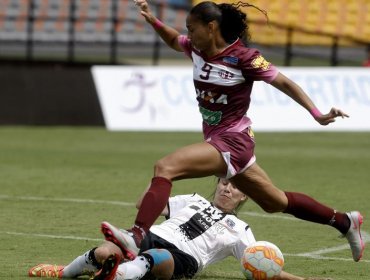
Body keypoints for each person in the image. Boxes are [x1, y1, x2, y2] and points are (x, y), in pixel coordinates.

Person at [102, 0, 364, 264]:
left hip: (233, 141)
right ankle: (344, 221)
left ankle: (135, 237)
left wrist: (317, 113)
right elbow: (173, 40)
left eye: (192, 29)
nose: (188, 35)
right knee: (275, 202)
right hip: (219, 140)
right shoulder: (196, 48)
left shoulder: (244, 58)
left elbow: (284, 82)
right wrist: (154, 21)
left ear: (211, 27)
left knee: (165, 167)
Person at [29, 179, 332, 280]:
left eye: (235, 187)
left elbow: (259, 265)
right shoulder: (192, 199)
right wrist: (158, 182)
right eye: (225, 182)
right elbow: (144, 205)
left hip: (185, 258)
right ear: (218, 184)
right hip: (153, 235)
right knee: (108, 249)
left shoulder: (241, 229)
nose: (227, 188)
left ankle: (119, 274)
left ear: (244, 197)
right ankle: (63, 272)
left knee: (159, 257)